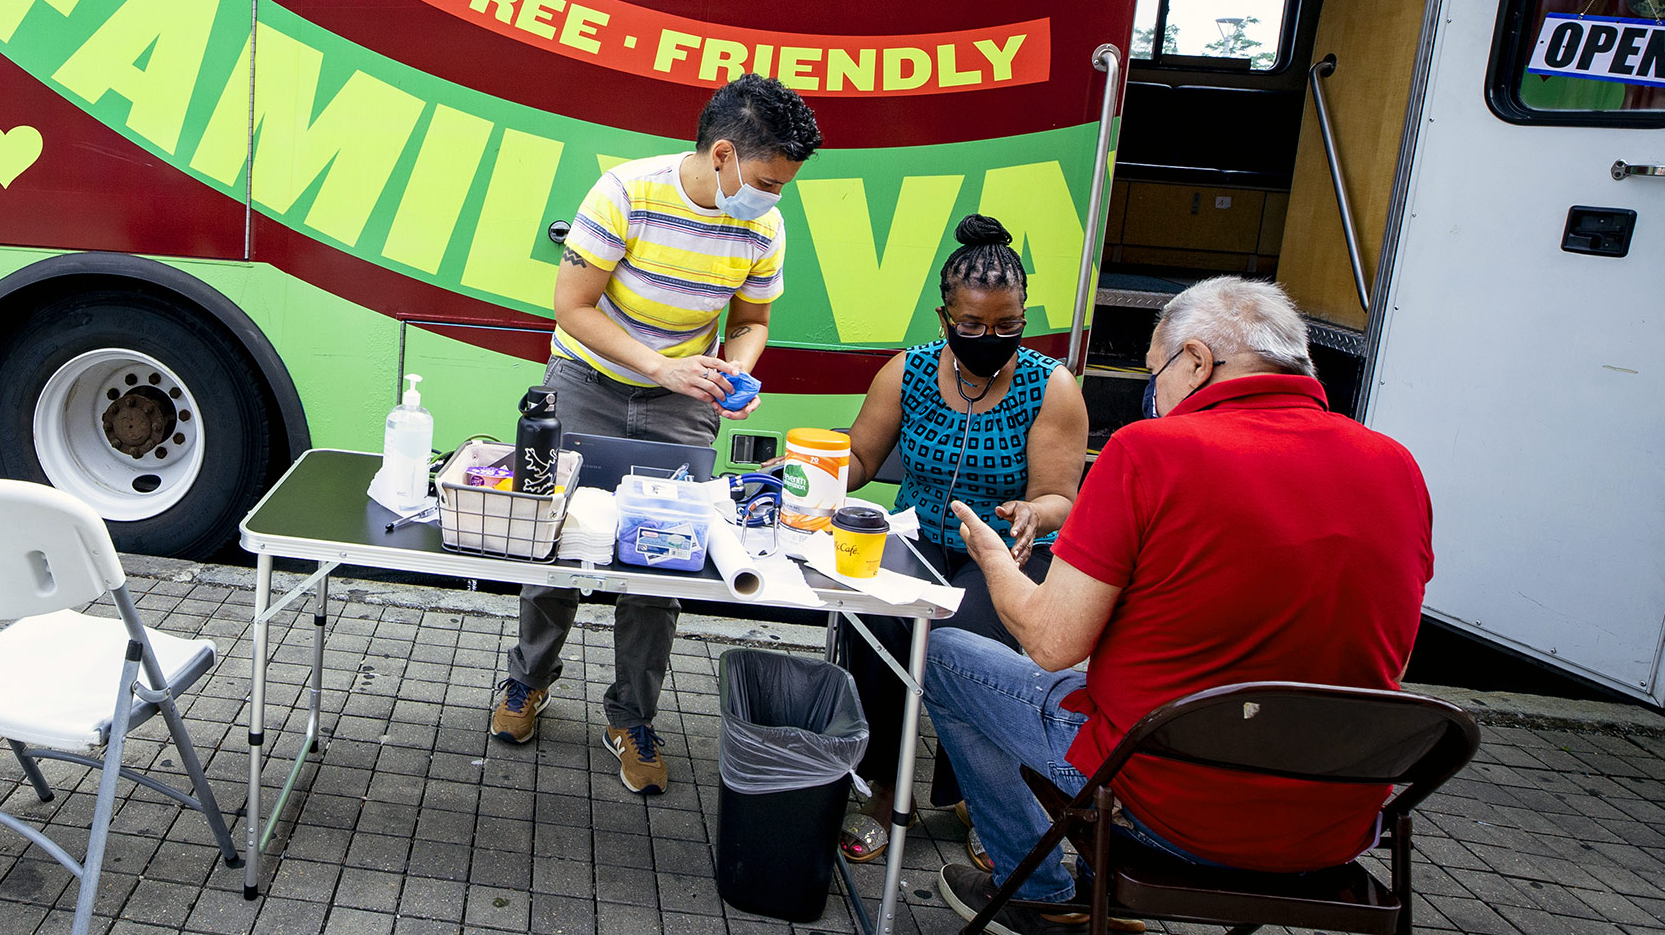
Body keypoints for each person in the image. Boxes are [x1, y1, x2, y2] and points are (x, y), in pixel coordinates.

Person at [919, 277, 1433, 931]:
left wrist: (993, 560)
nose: (1152, 389)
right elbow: (1388, 654)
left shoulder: (1147, 451)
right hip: (1334, 826)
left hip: (1168, 806)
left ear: (1195, 360)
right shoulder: (1398, 466)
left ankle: (1040, 892)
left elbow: (1052, 644)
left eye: (1154, 370)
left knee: (939, 651)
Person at [491, 74, 821, 795]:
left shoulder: (764, 224)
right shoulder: (625, 192)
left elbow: (753, 323)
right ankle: (527, 682)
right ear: (725, 155)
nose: (774, 197)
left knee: (662, 563)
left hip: (680, 404)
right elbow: (572, 307)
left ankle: (632, 718)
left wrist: (733, 372)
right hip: (584, 384)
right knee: (553, 541)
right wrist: (662, 367)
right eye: (768, 180)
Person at [836, 215, 1086, 864]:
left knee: (966, 640)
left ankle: (978, 795)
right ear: (945, 314)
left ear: (1025, 315)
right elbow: (859, 457)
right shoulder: (909, 371)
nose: (988, 339)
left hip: (1004, 553)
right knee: (874, 620)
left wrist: (1037, 513)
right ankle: (885, 790)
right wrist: (812, 473)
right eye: (971, 326)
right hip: (917, 538)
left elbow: (1062, 494)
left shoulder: (1049, 386)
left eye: (1006, 326)